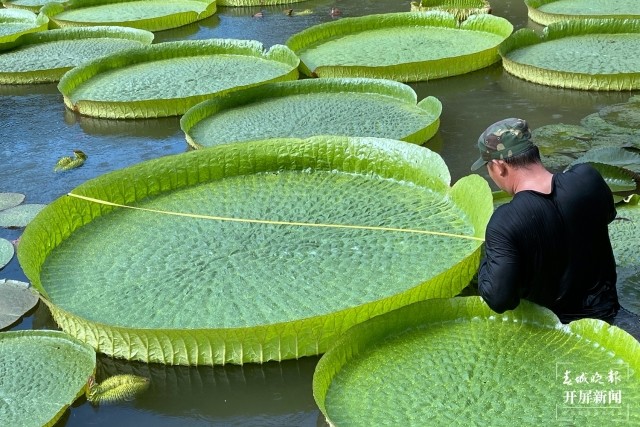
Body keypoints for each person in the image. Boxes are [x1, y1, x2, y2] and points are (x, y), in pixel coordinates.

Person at [470, 118, 619, 323]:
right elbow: (607, 215)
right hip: (606, 313)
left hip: (555, 328)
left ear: (499, 166)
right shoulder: (588, 178)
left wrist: (488, 252)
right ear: (534, 152)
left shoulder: (504, 222)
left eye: (488, 166)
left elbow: (499, 299)